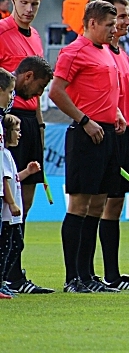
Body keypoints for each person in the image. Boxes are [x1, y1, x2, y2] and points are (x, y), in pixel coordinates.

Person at [48, 0, 125, 294]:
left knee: (97, 204)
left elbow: (102, 91)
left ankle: (88, 275)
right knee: (79, 205)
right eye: (108, 24)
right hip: (85, 134)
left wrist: (115, 113)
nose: (113, 29)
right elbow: (56, 91)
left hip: (106, 132)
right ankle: (72, 278)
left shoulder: (104, 51)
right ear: (92, 23)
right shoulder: (74, 51)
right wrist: (84, 120)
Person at [89, 0, 129, 291]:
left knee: (115, 206)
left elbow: (128, 101)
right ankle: (87, 274)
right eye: (120, 17)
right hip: (103, 132)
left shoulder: (121, 54)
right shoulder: (97, 51)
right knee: (96, 204)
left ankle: (112, 275)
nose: (124, 23)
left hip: (123, 134)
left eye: (125, 18)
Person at [0, 0, 52, 295]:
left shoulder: (35, 37)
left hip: (31, 121)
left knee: (26, 200)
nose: (29, 9)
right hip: (9, 120)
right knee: (8, 200)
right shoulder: (1, 31)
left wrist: (41, 124)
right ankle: (7, 273)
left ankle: (15, 272)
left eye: (35, 4)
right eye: (24, 3)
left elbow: (37, 90)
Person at [0, 113, 40, 298]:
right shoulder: (4, 156)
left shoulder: (8, 155)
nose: (19, 134)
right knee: (10, 245)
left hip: (12, 214)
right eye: (16, 130)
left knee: (15, 244)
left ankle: (3, 280)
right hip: (9, 213)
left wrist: (27, 172)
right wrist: (13, 203)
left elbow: (14, 179)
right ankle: (2, 280)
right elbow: (5, 182)